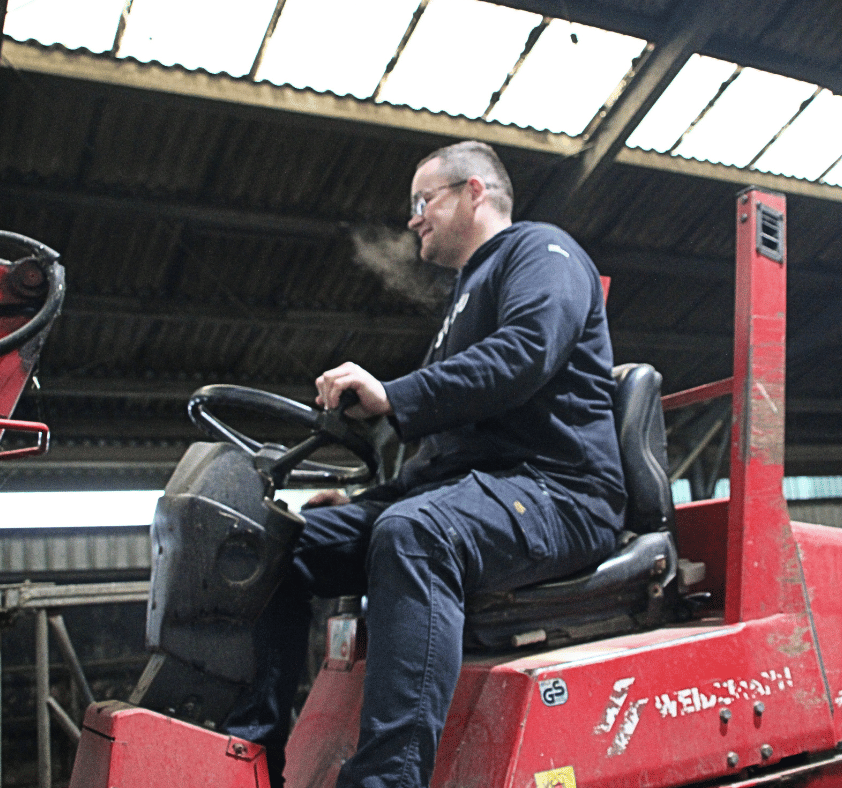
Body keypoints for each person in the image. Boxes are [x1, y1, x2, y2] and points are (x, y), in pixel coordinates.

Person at [222, 140, 627, 788]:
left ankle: (388, 779)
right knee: (278, 544)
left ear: (474, 191)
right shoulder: (462, 304)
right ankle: (247, 754)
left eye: (423, 200)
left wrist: (396, 393)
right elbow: (447, 460)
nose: (413, 218)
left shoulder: (541, 253)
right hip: (484, 489)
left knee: (417, 533)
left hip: (560, 489)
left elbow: (528, 351)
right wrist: (362, 505)